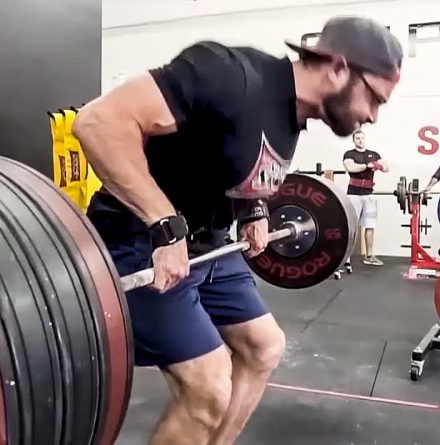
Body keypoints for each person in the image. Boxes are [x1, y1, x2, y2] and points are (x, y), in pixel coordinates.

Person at [72, 16, 402, 445]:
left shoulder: (292, 116)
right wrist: (164, 225)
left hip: (209, 246)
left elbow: (234, 162)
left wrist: (253, 210)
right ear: (338, 68)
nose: (373, 116)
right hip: (140, 244)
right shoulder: (230, 74)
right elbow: (98, 122)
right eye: (374, 98)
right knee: (208, 387)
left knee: (264, 348)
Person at [342, 129, 388, 266]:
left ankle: (369, 256)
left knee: (370, 225)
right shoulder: (349, 154)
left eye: (362, 138)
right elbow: (351, 168)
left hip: (369, 194)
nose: (360, 140)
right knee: (351, 227)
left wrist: (379, 165)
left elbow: (386, 167)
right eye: (358, 138)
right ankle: (346, 257)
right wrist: (368, 165)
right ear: (354, 141)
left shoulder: (373, 154)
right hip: (353, 194)